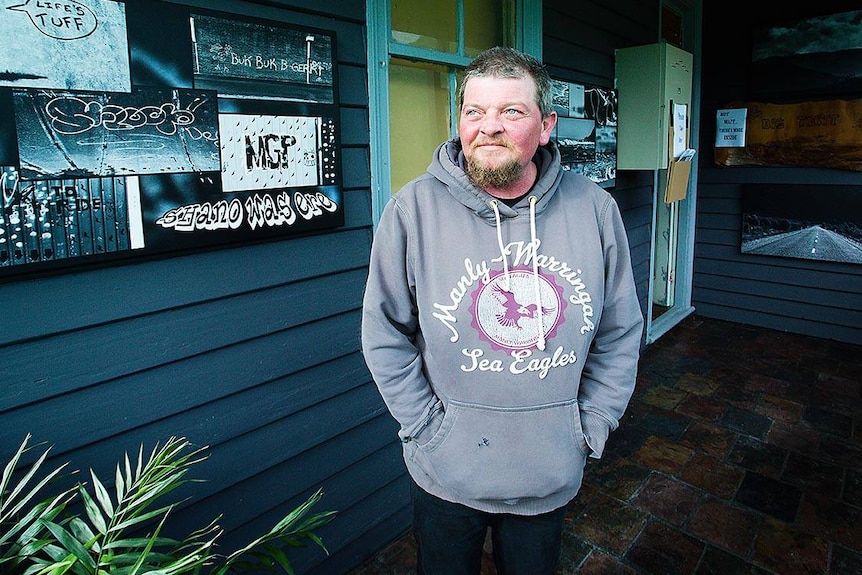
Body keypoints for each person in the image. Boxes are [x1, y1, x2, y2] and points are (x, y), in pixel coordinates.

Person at [361, 46, 643, 575]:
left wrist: (593, 423)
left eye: (511, 111)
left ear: (545, 127)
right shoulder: (411, 211)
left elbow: (620, 331)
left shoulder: (595, 211)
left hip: (548, 469)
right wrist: (428, 430)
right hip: (445, 472)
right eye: (474, 111)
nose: (489, 126)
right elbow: (384, 333)